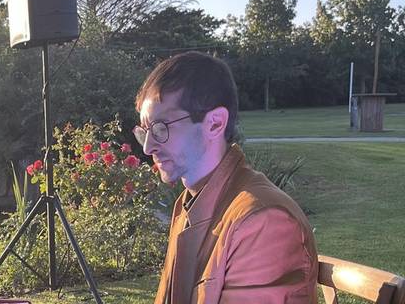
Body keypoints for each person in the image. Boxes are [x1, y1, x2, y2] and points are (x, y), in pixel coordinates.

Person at [134, 51, 318, 304]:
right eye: (145, 131)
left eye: (161, 128)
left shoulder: (264, 221)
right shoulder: (190, 203)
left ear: (215, 123)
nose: (148, 147)